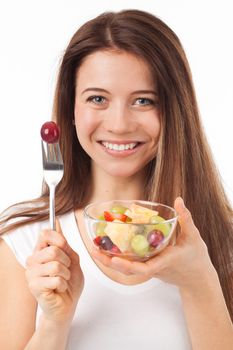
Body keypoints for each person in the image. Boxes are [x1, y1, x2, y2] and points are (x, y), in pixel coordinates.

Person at [0, 9, 232, 350]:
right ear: (71, 110)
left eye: (143, 100)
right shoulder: (25, 241)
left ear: (174, 112)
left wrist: (200, 281)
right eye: (98, 98)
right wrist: (55, 321)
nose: (120, 124)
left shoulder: (223, 238)